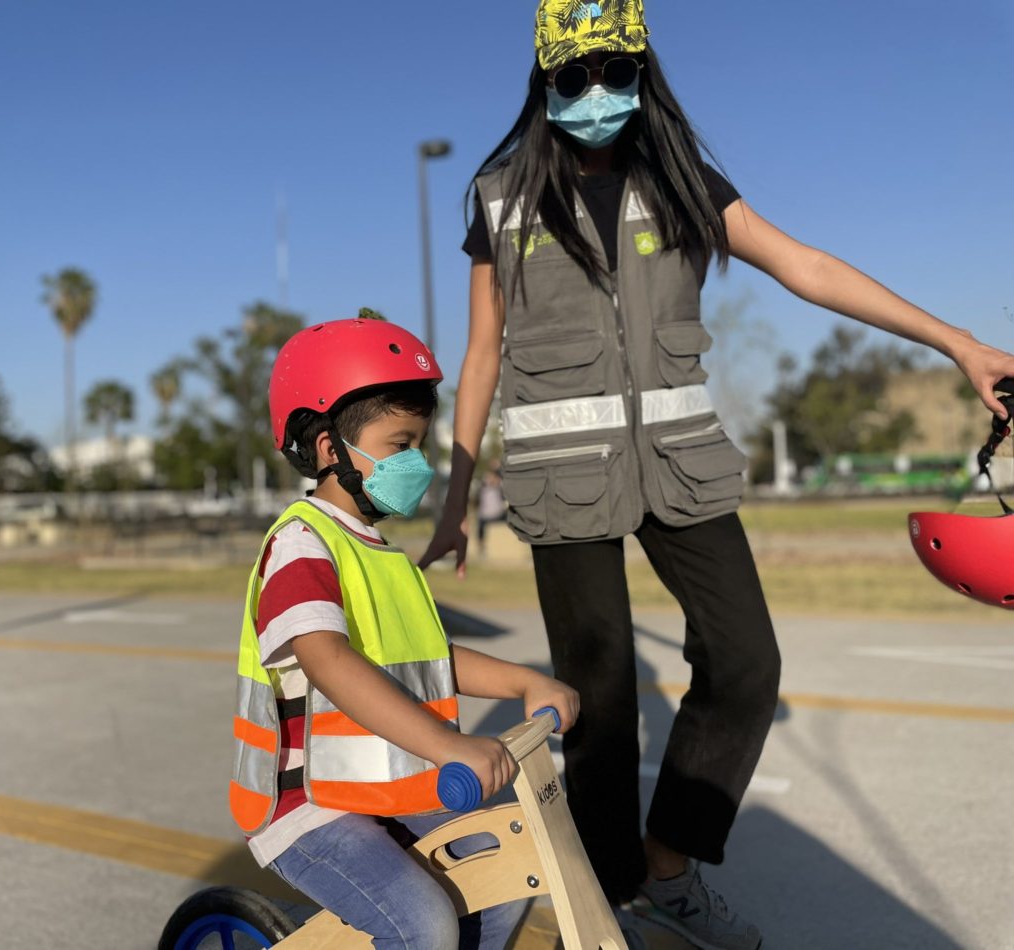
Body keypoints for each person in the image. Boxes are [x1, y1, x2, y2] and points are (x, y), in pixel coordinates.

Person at [418, 2, 1014, 947]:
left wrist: (956, 342)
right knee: (601, 698)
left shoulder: (684, 181)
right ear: (544, 85)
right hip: (562, 482)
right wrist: (455, 501)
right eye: (575, 79)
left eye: (617, 71)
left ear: (643, 71)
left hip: (681, 471)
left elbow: (806, 266)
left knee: (746, 663)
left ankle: (667, 865)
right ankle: (611, 902)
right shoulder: (501, 197)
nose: (598, 94)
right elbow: (483, 353)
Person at [230, 316, 580, 949]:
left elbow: (432, 660)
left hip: (379, 778)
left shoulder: (380, 553)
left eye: (421, 443)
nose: (417, 462)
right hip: (305, 804)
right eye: (400, 444)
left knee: (500, 869)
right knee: (423, 923)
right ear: (331, 450)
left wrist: (525, 680)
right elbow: (327, 660)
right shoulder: (301, 545)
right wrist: (450, 745)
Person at [475, 461, 507, 556]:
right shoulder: (484, 484)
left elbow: (502, 479)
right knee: (480, 526)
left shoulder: (500, 485)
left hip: (498, 514)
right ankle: (481, 549)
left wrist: (498, 469)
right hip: (486, 516)